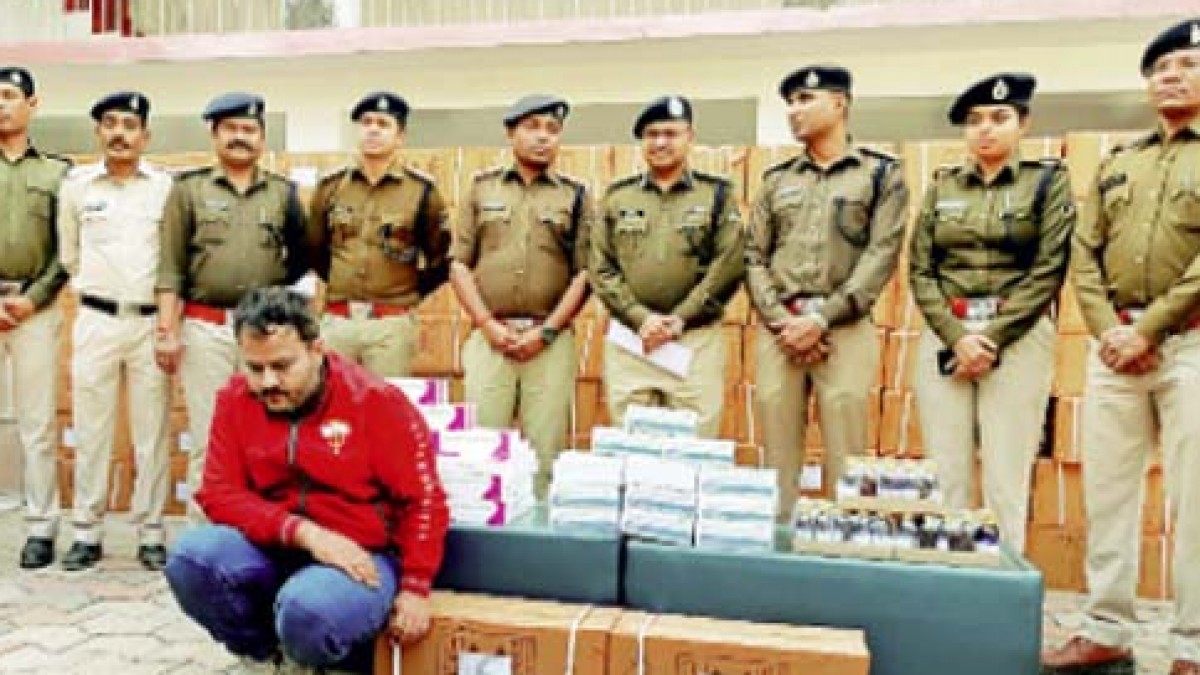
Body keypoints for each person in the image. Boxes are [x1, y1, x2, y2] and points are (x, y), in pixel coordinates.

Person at [164, 287, 449, 674]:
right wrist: (305, 534)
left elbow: (423, 499)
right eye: (255, 368)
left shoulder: (375, 401)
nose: (268, 382)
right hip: (274, 544)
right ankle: (268, 656)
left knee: (308, 613)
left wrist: (416, 586)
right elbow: (218, 492)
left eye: (282, 366)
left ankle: (325, 654)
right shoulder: (235, 400)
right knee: (190, 559)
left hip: (361, 554)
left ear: (317, 350)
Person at [1042, 19, 1200, 675]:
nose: (1172, 76)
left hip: (1190, 346)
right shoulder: (1118, 162)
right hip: (1115, 351)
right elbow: (1085, 252)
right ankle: (1107, 627)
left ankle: (1191, 645)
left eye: (1187, 64)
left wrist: (1150, 328)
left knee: (1194, 499)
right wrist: (1110, 328)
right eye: (1161, 68)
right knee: (1107, 493)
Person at [907, 72, 1073, 553]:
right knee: (946, 472)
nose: (985, 129)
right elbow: (920, 269)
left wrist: (991, 338)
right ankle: (950, 578)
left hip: (1017, 335)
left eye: (999, 118)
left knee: (1005, 475)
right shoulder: (942, 187)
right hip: (947, 332)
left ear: (1023, 123)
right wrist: (957, 337)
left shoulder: (1047, 182)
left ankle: (1002, 582)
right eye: (975, 120)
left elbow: (1049, 268)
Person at [745, 65, 908, 514]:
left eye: (805, 100)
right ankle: (778, 546)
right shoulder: (776, 180)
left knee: (846, 457)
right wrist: (783, 322)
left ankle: (844, 547)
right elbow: (754, 256)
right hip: (780, 331)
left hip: (844, 328)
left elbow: (881, 255)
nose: (793, 111)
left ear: (839, 104)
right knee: (776, 459)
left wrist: (820, 319)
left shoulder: (880, 175)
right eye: (790, 102)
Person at [155, 92, 313, 519]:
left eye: (249, 129)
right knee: (209, 439)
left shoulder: (283, 194)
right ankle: (203, 537)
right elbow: (170, 267)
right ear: (214, 134)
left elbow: (301, 262)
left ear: (262, 137)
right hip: (206, 331)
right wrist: (167, 332)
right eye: (231, 129)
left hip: (265, 337)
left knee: (268, 434)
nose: (240, 137)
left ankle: (261, 532)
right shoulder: (188, 190)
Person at [450, 94, 593, 497]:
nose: (543, 137)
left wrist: (547, 332)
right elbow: (458, 265)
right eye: (532, 127)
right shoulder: (481, 189)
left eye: (552, 129)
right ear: (511, 133)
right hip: (489, 340)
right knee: (481, 452)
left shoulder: (576, 197)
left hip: (549, 343)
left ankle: (540, 528)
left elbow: (585, 274)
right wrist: (487, 325)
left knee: (545, 455)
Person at [57, 91, 174, 571]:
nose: (119, 133)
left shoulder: (165, 188)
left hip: (150, 323)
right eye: (110, 123)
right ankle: (86, 531)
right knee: (91, 428)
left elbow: (172, 259)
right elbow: (69, 255)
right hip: (96, 320)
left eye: (129, 124)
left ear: (145, 135)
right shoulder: (77, 187)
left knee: (152, 432)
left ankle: (151, 532)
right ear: (98, 132)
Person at [590, 95, 744, 437]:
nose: (660, 142)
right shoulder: (618, 197)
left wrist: (680, 319)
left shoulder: (716, 195)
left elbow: (729, 263)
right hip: (632, 341)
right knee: (631, 446)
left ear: (690, 137)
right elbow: (600, 266)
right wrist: (640, 318)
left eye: (670, 133)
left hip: (694, 340)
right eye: (652, 134)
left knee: (695, 446)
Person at [308, 91, 450, 377]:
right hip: (339, 322)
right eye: (366, 122)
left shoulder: (421, 190)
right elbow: (314, 249)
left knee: (386, 401)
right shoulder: (330, 187)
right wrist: (341, 280)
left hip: (391, 325)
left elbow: (441, 257)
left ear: (400, 137)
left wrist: (407, 292)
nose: (373, 130)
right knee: (334, 400)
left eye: (383, 124)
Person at [0, 66, 72, 569]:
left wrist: (33, 298)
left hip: (35, 308)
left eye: (8, 95)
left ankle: (41, 528)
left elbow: (68, 250)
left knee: (37, 424)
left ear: (32, 104)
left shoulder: (58, 173)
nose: (0, 105)